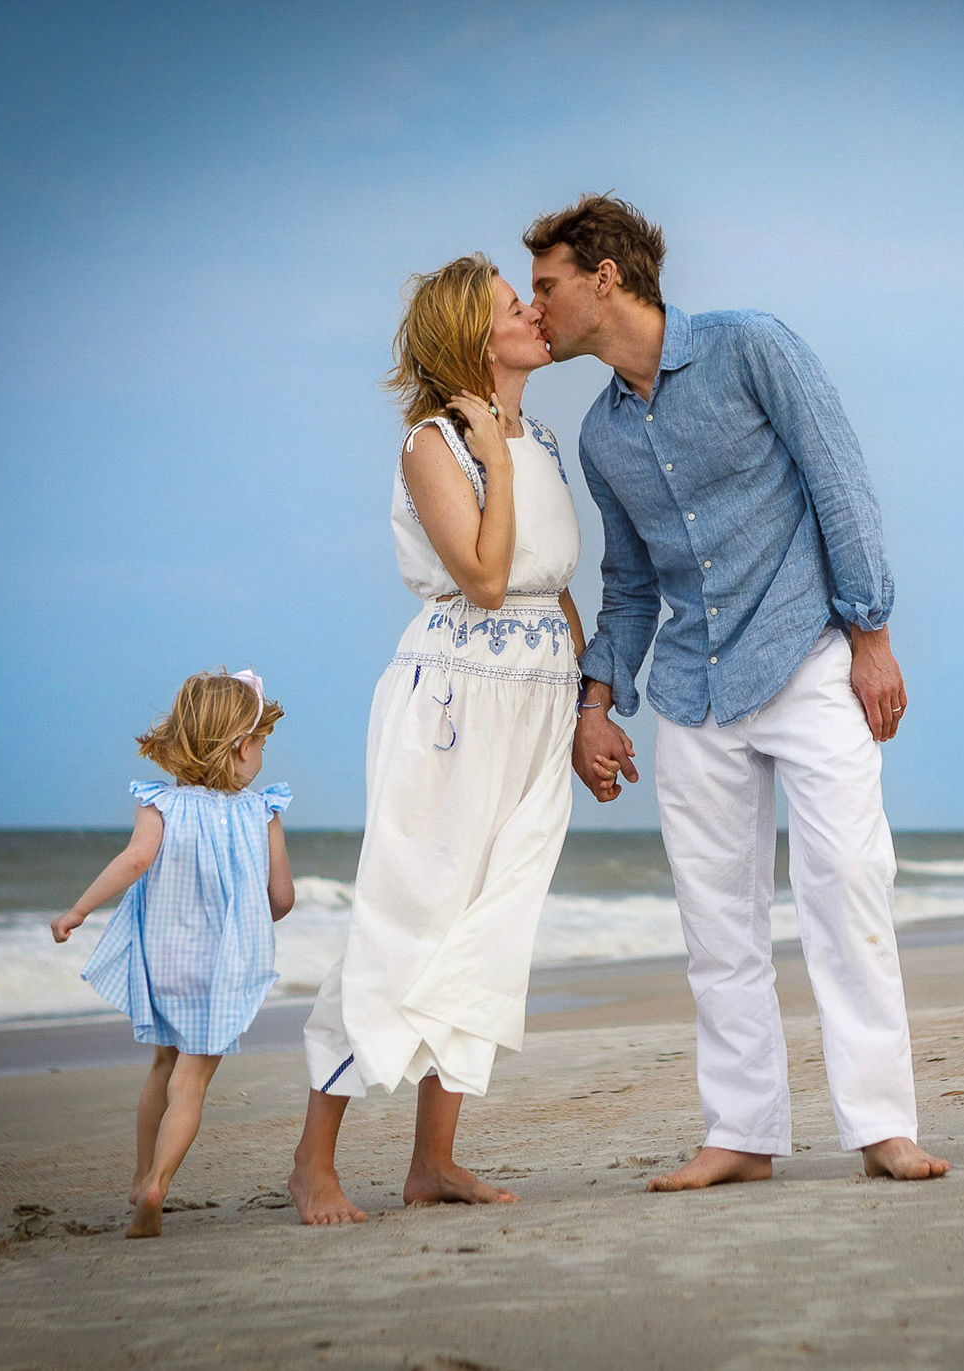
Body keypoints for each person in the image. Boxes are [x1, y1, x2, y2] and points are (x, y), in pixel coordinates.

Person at [525, 194, 948, 1188]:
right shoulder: (601, 437)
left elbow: (839, 481)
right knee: (715, 919)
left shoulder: (751, 347)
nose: (535, 308)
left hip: (807, 657)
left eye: (547, 286)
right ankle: (744, 1133)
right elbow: (627, 584)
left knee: (847, 884)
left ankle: (883, 1123)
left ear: (607, 277)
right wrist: (597, 703)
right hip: (691, 689)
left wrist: (873, 635)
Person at [289, 255, 584, 1224]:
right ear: (472, 336)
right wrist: (491, 458)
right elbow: (486, 580)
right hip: (457, 700)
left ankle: (432, 1161)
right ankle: (315, 1159)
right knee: (408, 914)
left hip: (539, 700)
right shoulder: (435, 446)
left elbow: (548, 584)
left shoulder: (539, 436)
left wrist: (590, 712)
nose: (537, 313)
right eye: (515, 306)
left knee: (493, 924)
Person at [51, 668, 295, 1238]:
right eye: (261, 741)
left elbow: (134, 862)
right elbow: (280, 899)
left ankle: (139, 1176)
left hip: (166, 960)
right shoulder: (263, 813)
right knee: (192, 1083)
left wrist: (78, 911)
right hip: (222, 970)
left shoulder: (158, 803)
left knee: (162, 1064)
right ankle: (160, 1181)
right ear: (240, 747)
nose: (263, 753)